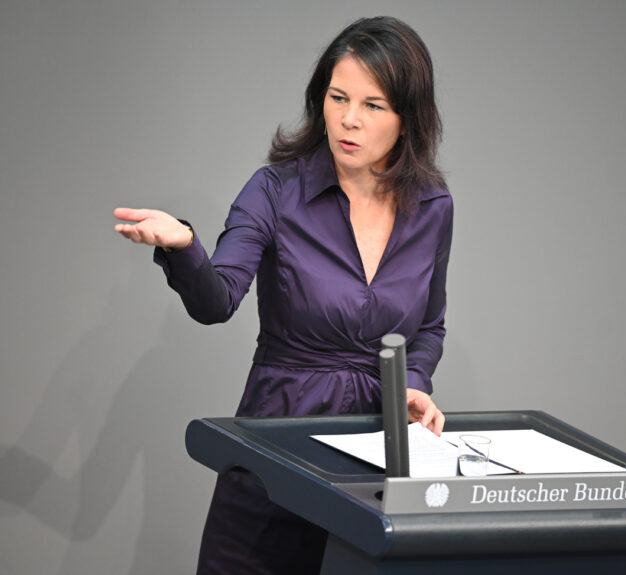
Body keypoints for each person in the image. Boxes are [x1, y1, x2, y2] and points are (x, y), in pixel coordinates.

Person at [114, 16, 452, 575]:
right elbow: (215, 301)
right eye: (338, 97)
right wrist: (184, 246)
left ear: (406, 118)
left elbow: (429, 329)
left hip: (375, 461)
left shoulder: (434, 206)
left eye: (374, 105)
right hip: (279, 444)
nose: (348, 119)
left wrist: (413, 388)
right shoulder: (274, 191)